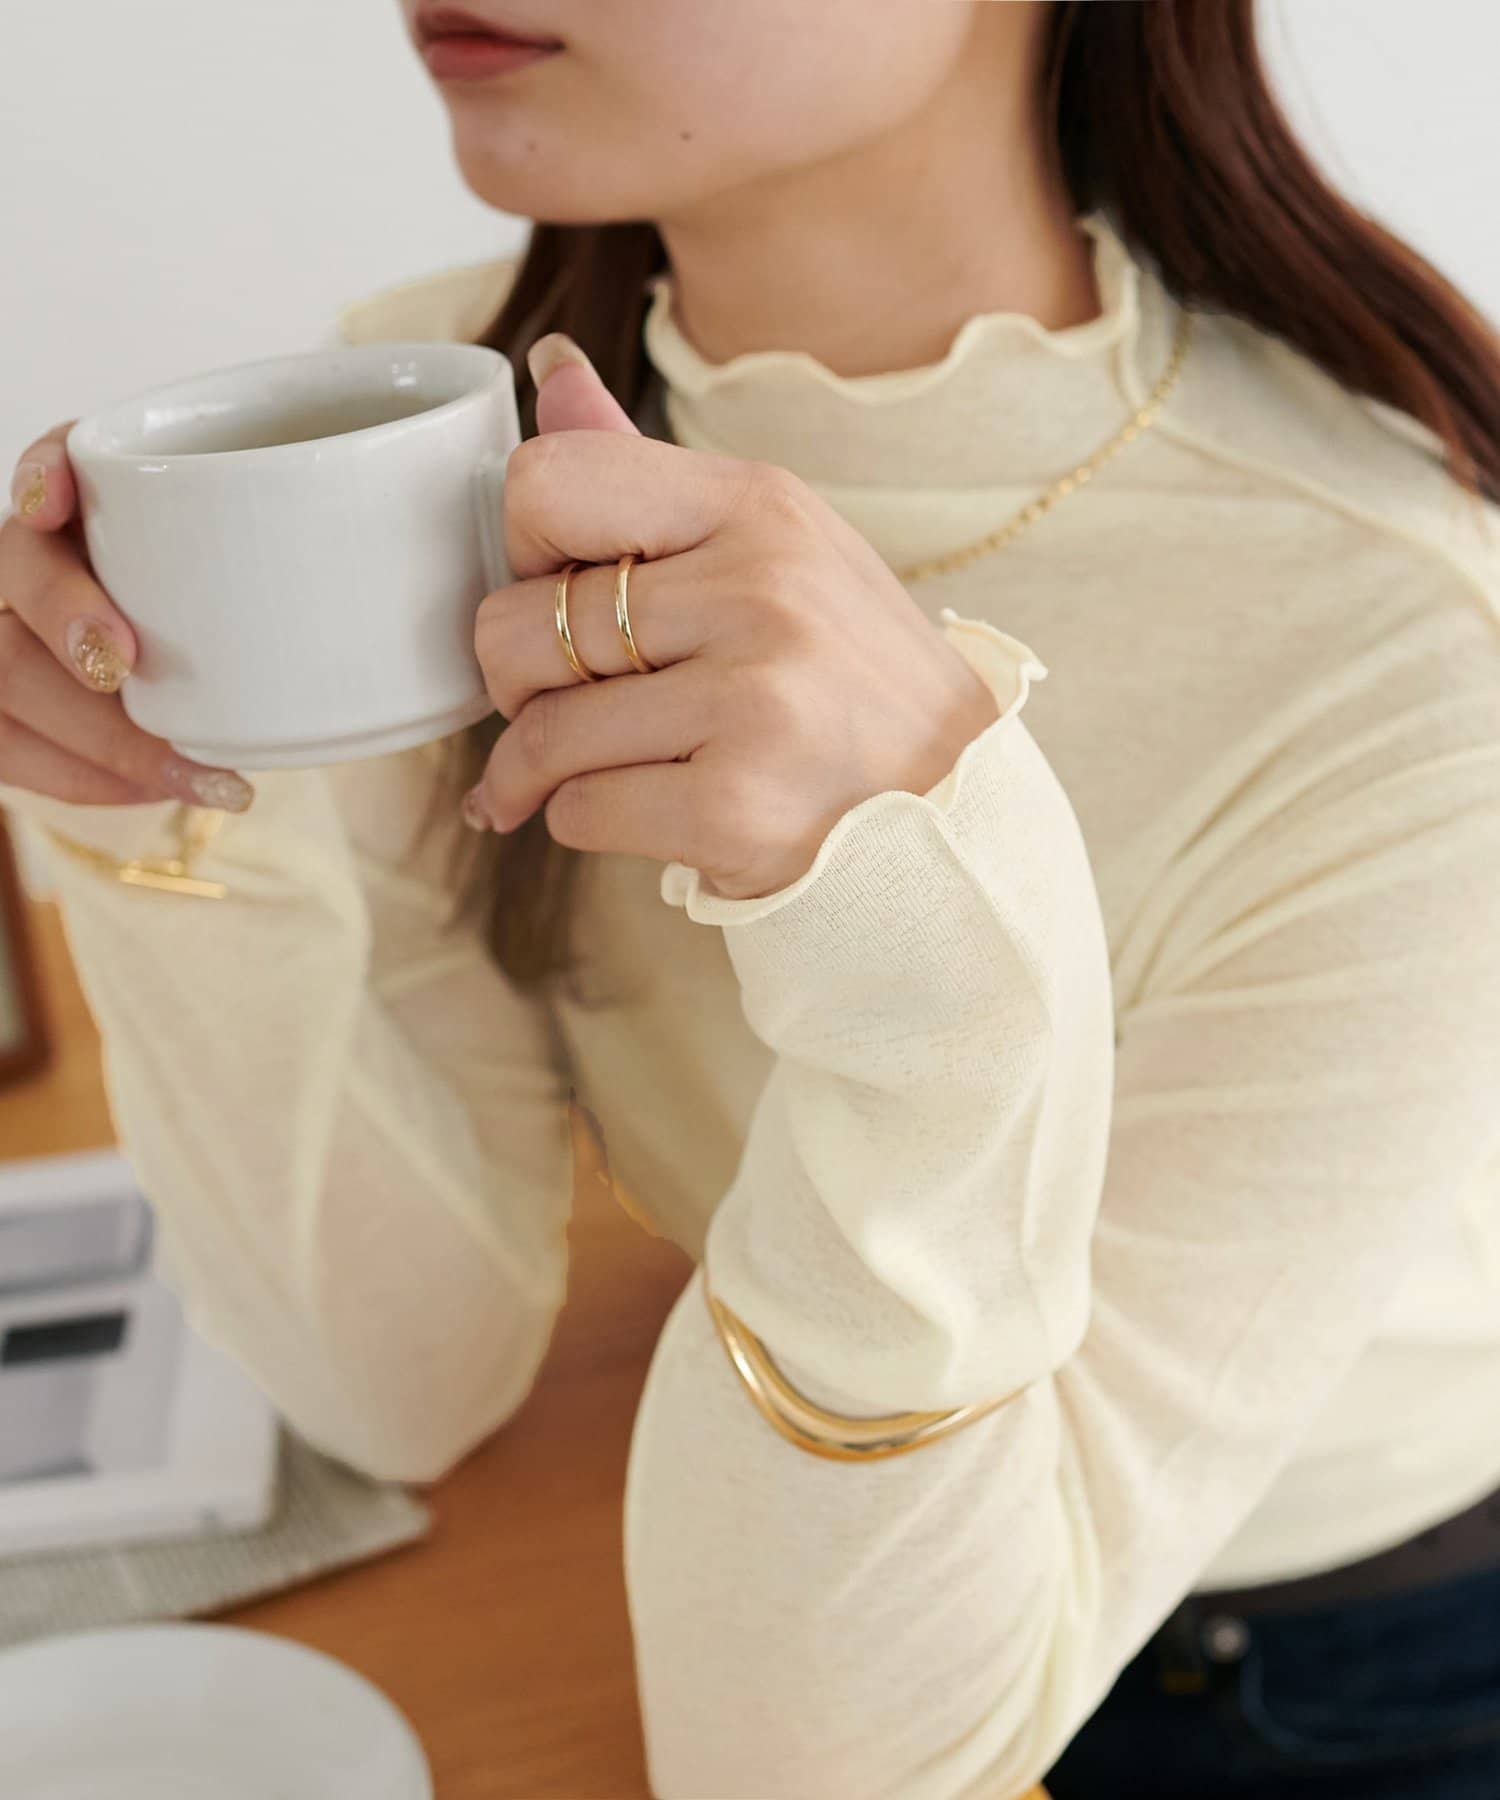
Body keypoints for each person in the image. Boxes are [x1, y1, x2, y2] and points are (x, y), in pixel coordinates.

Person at [3, 2, 1499, 1794]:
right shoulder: (429, 432)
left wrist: (936, 968)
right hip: (790, 1513)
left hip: (1315, 1660)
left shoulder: (1405, 636)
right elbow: (401, 1383)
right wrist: (159, 789)